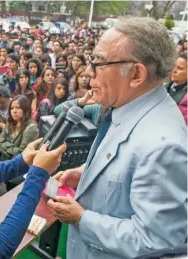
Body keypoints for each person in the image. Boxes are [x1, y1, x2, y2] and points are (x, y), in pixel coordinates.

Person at [47, 17, 187, 259]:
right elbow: (127, 167)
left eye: (98, 63)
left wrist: (82, 218)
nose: (88, 73)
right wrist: (87, 173)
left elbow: (155, 241)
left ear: (136, 74)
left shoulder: (163, 146)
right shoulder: (128, 107)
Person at [0, 95, 39, 191]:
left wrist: (5, 146)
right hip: (6, 166)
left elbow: (22, 152)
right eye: (12, 108)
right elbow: (0, 142)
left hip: (20, 171)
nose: (14, 111)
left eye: (18, 108)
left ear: (25, 109)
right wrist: (7, 147)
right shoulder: (9, 123)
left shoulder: (31, 127)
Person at [166, 54, 187, 123]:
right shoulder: (166, 86)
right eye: (174, 66)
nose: (174, 70)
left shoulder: (185, 99)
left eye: (180, 68)